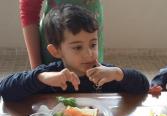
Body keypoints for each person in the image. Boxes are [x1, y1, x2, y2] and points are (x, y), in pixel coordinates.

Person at [0, 4, 149, 102]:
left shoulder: (104, 74)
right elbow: (5, 89)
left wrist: (118, 73)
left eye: (93, 44)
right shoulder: (51, 75)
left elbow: (143, 85)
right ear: (56, 51)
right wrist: (41, 78)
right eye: (77, 47)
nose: (89, 53)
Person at [19, 0, 104, 69]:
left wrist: (116, 73)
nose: (88, 53)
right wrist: (37, 71)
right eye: (78, 47)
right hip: (57, 40)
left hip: (91, 30)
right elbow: (29, 10)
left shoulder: (91, 52)